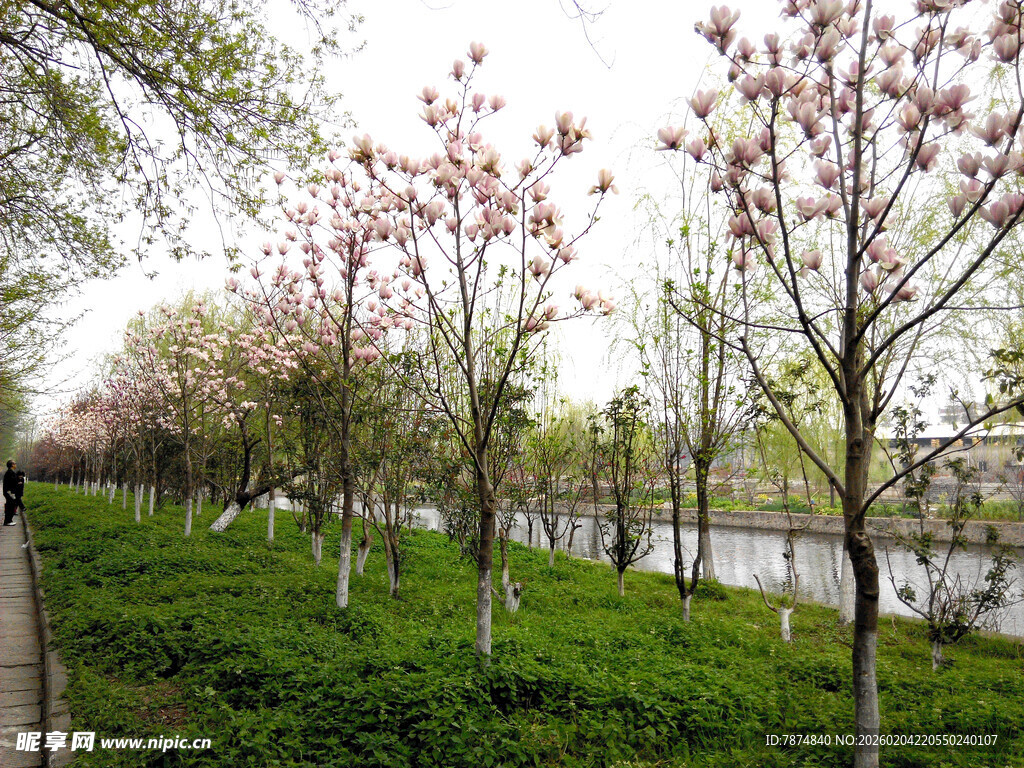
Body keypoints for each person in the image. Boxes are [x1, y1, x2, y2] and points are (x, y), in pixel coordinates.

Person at [3, 460, 17, 526]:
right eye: (14, 463)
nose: (15, 464)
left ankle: (9, 520)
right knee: (10, 506)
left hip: (9, 492)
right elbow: (11, 482)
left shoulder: (10, 472)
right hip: (9, 492)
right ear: (12, 465)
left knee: (11, 505)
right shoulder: (10, 473)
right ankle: (7, 521)